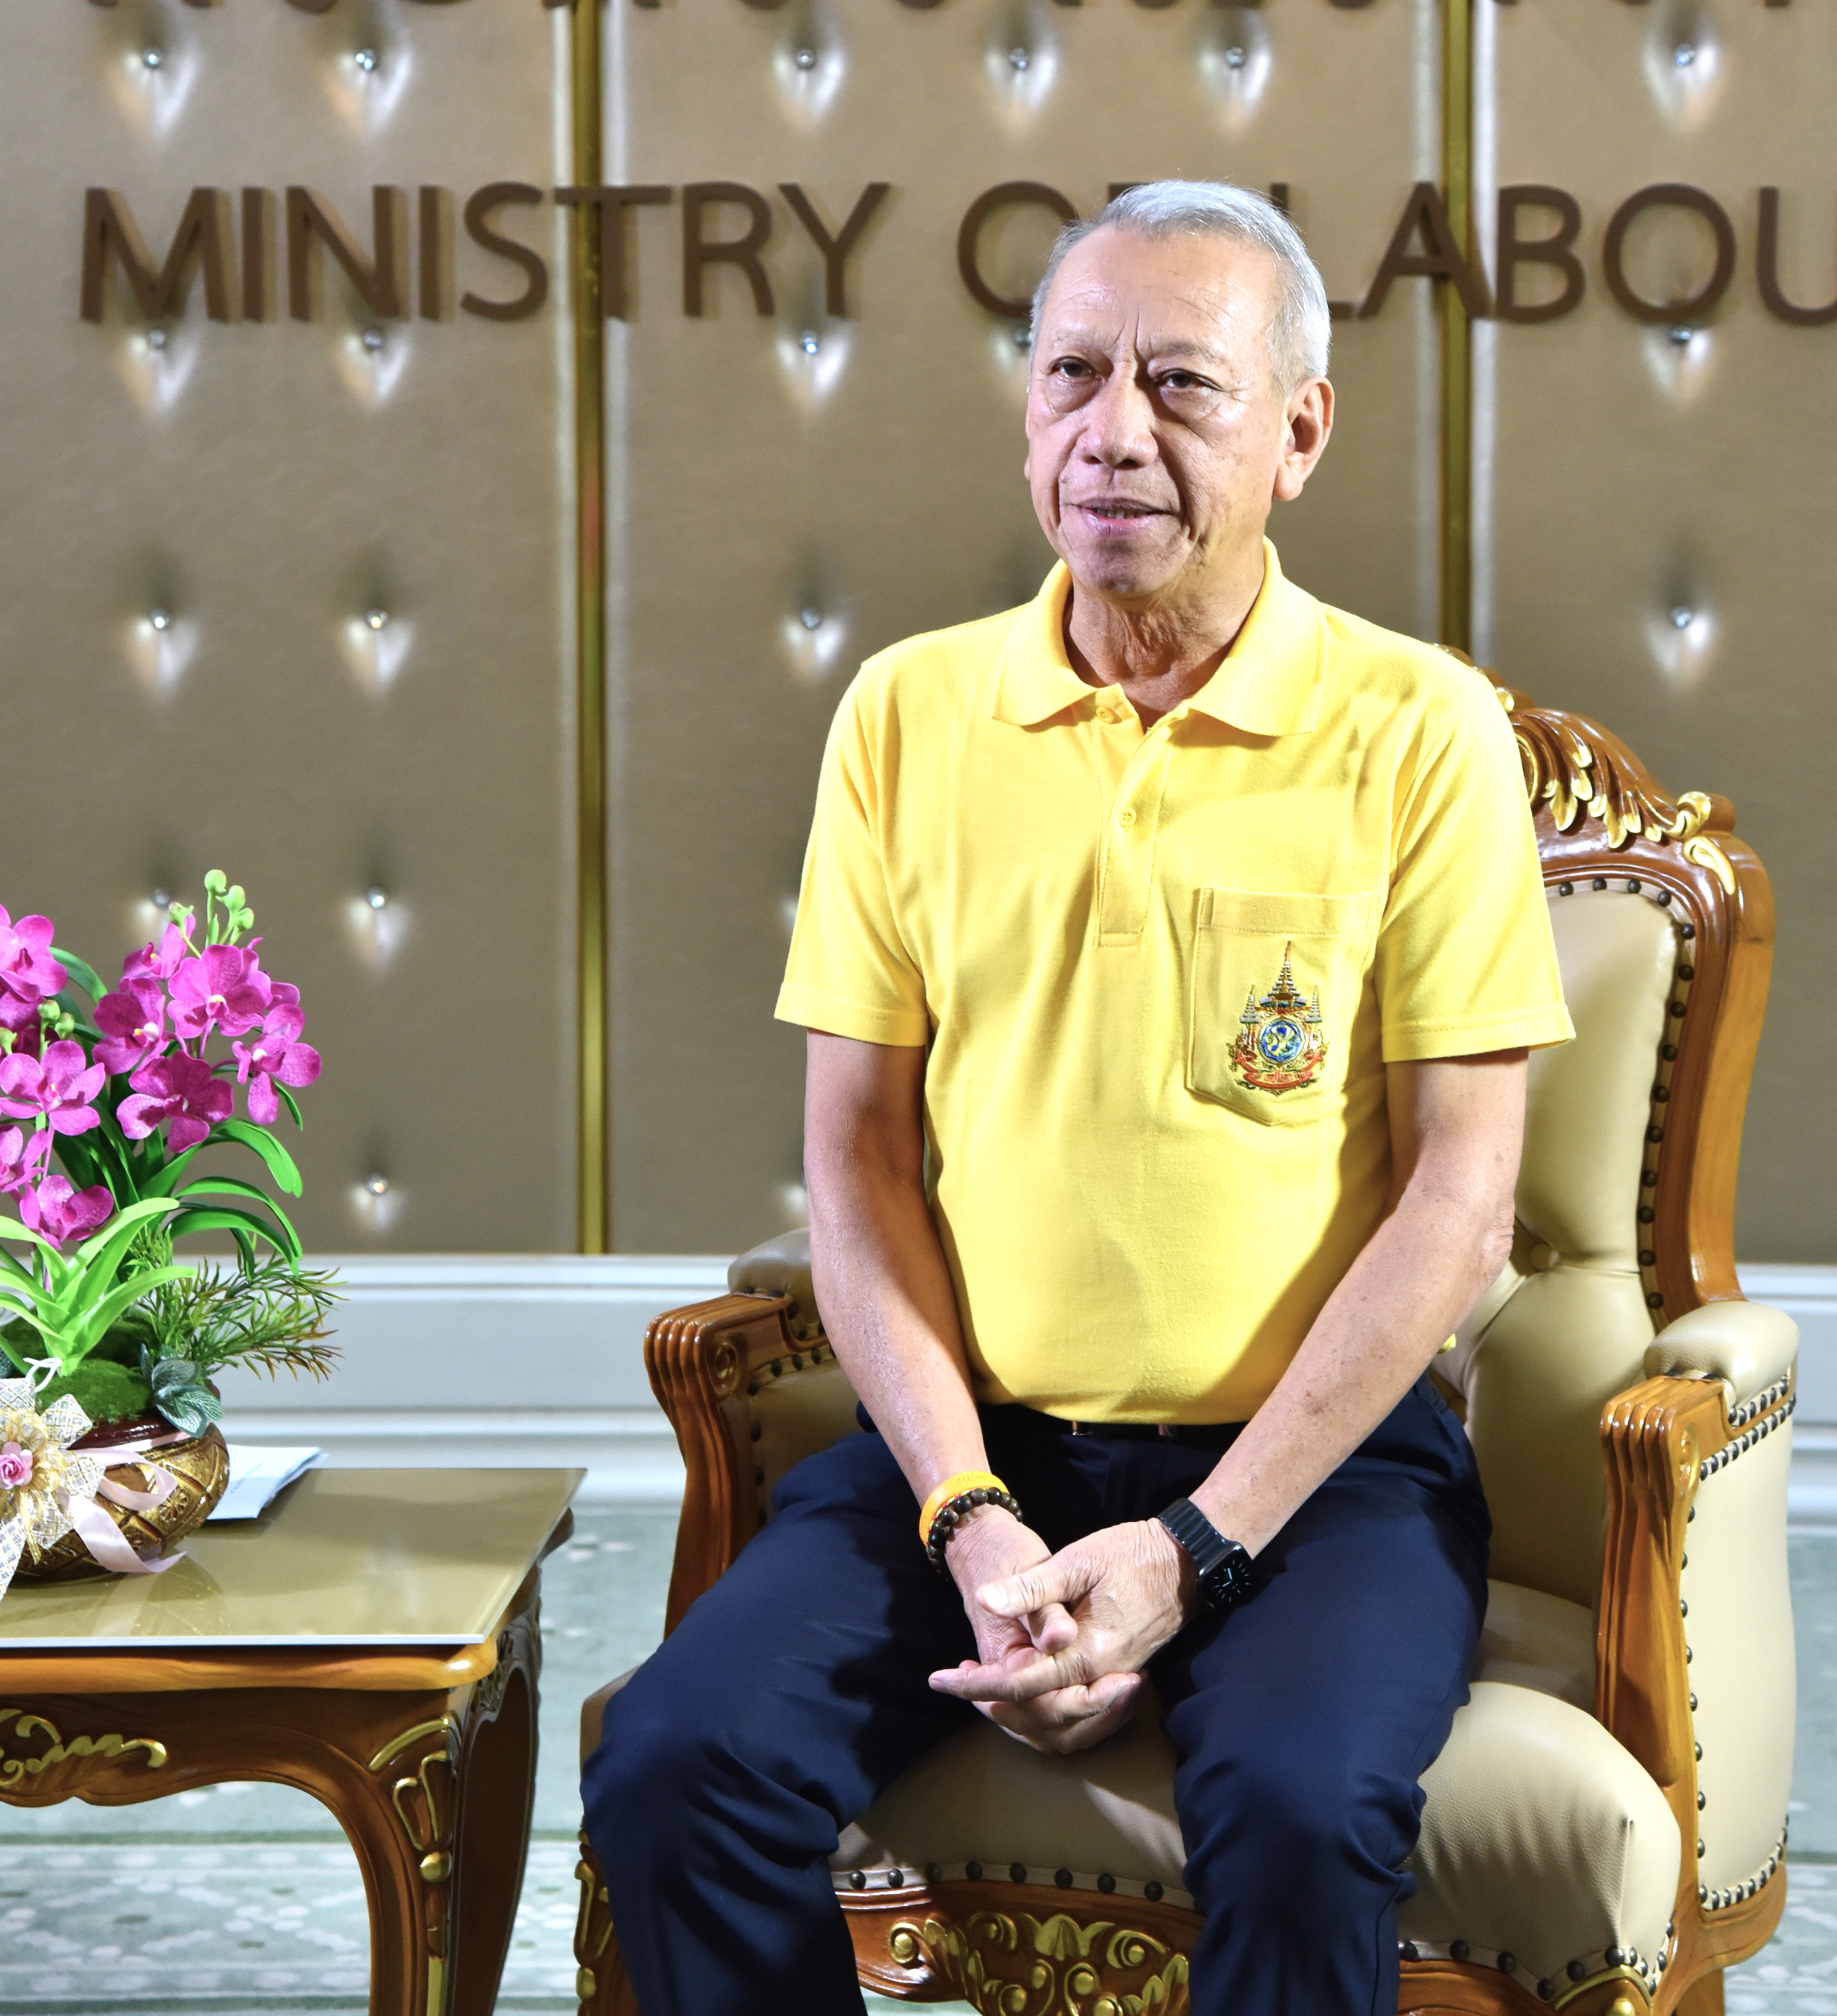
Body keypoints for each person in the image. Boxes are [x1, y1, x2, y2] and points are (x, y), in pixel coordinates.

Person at [583, 180, 1574, 2016]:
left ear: (1298, 431)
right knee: (674, 1763)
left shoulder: (1417, 728)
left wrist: (1194, 1550)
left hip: (1320, 1475)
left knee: (1302, 1813)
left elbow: (1461, 1199)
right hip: (977, 1454)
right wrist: (971, 1516)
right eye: (1070, 375)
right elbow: (855, 1167)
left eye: (1180, 384)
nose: (1112, 431)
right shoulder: (905, 715)